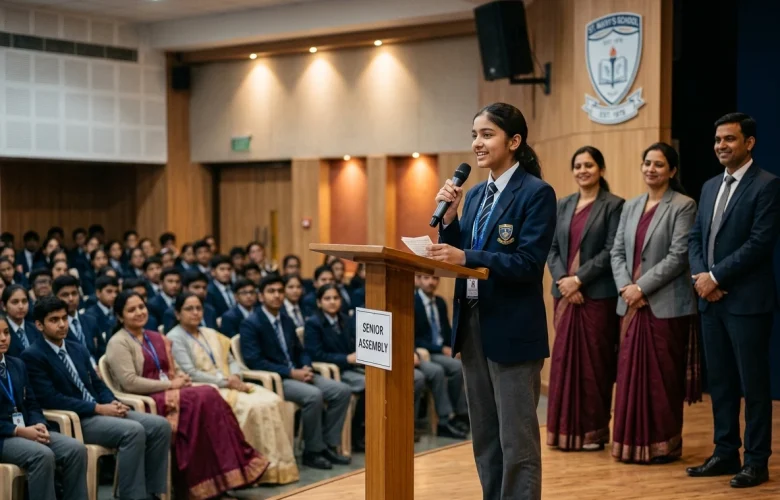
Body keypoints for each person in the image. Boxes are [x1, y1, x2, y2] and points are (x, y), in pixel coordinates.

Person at [429, 102, 556, 499]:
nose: (477, 144)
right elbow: (461, 253)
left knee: (516, 441)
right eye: (474, 135)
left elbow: (527, 263)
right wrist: (449, 221)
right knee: (485, 436)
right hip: (472, 323)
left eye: (487, 135)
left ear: (514, 141)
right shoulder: (479, 192)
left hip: (511, 328)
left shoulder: (536, 193)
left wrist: (466, 255)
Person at [687, 113, 780, 487]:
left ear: (749, 143)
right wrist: (700, 277)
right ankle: (725, 452)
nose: (721, 146)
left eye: (729, 139)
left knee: (753, 386)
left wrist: (716, 276)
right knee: (721, 383)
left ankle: (756, 461)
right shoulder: (710, 186)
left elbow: (760, 243)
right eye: (717, 140)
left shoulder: (767, 186)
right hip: (711, 300)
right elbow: (695, 237)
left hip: (747, 302)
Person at [104, 290, 268, 498]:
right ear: (120, 316)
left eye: (141, 307)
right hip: (148, 400)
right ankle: (197, 486)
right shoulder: (118, 342)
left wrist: (182, 379)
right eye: (131, 310)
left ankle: (221, 480)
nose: (139, 312)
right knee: (200, 401)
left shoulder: (155, 337)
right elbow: (129, 383)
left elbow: (173, 369)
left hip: (172, 392)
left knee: (209, 395)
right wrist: (172, 384)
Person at [21, 296, 172, 500]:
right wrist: (97, 408)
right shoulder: (33, 355)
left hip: (100, 412)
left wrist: (111, 401)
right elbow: (51, 399)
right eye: (54, 320)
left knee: (159, 425)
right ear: (39, 325)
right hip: (76, 419)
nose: (62, 324)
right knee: (133, 431)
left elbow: (98, 384)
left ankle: (152, 492)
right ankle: (132, 497)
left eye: (64, 318)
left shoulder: (76, 348)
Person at [610, 142, 701, 464]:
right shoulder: (631, 206)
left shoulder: (684, 205)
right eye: (647, 162)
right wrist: (625, 287)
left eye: (659, 164)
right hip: (630, 304)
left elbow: (679, 256)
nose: (651, 169)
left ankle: (663, 446)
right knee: (629, 376)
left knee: (662, 379)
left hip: (665, 306)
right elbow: (617, 251)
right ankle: (627, 444)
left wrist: (641, 288)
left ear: (672, 171)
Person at [168, 292, 299, 484]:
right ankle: (248, 471)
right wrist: (227, 382)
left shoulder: (209, 333)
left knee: (272, 400)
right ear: (178, 314)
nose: (195, 313)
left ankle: (275, 467)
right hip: (208, 389)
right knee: (253, 407)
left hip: (232, 383)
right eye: (189, 309)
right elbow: (190, 373)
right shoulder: (175, 337)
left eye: (198, 308)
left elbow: (230, 360)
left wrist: (236, 376)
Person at [546, 146, 624, 451]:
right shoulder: (562, 205)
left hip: (597, 297)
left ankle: (593, 432)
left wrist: (578, 280)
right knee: (564, 363)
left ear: (601, 170)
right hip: (564, 297)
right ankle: (562, 432)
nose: (583, 171)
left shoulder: (614, 206)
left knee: (595, 365)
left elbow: (610, 250)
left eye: (589, 165)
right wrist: (564, 282)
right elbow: (551, 249)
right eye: (577, 166)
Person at [240, 275, 352, 470]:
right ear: (261, 296)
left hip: (298, 373)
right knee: (314, 396)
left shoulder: (286, 319)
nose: (276, 296)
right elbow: (254, 361)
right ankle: (312, 451)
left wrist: (306, 366)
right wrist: (291, 372)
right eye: (271, 291)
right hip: (277, 379)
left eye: (279, 291)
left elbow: (301, 351)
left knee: (341, 391)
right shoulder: (252, 323)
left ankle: (328, 444)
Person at [0, 313, 88, 500]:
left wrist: (39, 423)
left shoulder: (17, 364)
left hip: (28, 429)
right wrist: (18, 431)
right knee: (43, 455)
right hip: (4, 437)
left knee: (75, 449)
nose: (3, 338)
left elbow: (32, 403)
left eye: (6, 332)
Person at [304, 284, 366, 450]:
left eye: (336, 298)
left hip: (349, 368)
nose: (332, 302)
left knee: (378, 380)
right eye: (327, 298)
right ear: (319, 302)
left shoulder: (345, 319)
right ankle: (356, 434)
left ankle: (361, 429)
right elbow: (316, 354)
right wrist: (346, 358)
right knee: (369, 384)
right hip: (332, 371)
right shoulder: (313, 323)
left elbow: (354, 344)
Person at [413, 274, 470, 434]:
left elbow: (447, 330)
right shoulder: (413, 301)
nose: (431, 282)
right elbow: (414, 337)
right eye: (426, 278)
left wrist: (454, 346)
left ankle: (460, 413)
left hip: (441, 349)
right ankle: (445, 419)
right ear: (418, 280)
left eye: (435, 278)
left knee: (459, 368)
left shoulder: (440, 302)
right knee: (442, 370)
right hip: (426, 351)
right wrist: (441, 349)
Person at [2, 285, 42, 357]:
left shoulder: (35, 328)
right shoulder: (2, 331)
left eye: (24, 301)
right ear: (4, 306)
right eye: (15, 302)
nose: (21, 306)